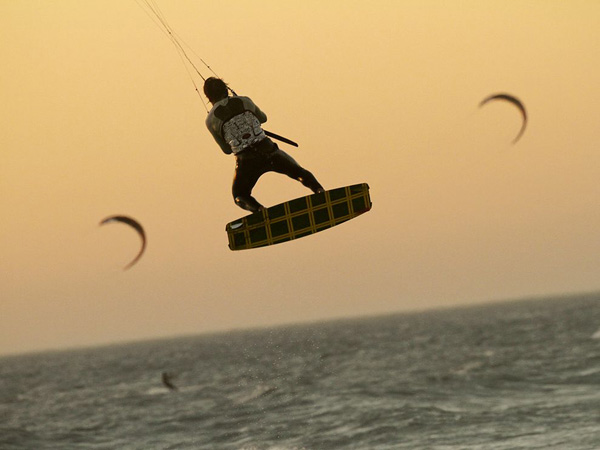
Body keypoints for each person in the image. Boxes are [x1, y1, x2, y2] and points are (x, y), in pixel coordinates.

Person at [204, 77, 324, 212]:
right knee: (299, 172)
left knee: (239, 195)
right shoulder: (244, 100)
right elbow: (263, 118)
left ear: (208, 97)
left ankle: (260, 210)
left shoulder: (210, 120)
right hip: (268, 150)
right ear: (226, 89)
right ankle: (319, 191)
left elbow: (226, 150)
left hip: (246, 161)